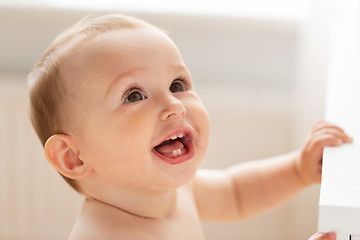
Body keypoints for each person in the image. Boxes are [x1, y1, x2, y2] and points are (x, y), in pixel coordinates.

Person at [28, 14, 351, 240]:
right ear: (73, 157)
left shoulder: (174, 191)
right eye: (135, 95)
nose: (175, 105)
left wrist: (298, 169)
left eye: (178, 84)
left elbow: (236, 193)